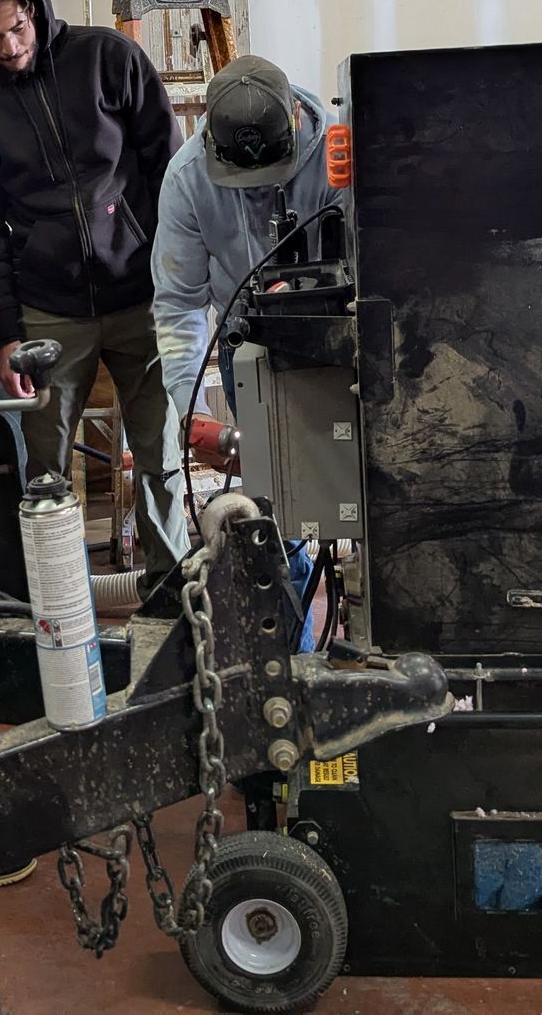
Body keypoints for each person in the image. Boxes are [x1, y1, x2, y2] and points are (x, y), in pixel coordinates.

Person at [0, 0, 189, 583]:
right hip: (48, 311)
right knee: (45, 466)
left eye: (17, 29)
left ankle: (168, 593)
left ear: (36, 8)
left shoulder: (109, 57)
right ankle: (58, 599)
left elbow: (172, 172)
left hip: (141, 293)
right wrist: (7, 334)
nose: (10, 47)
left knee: (163, 456)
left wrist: (179, 280)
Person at [151, 54, 346, 647]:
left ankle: (373, 641)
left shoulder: (344, 158)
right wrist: (190, 410)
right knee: (272, 506)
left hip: (347, 342)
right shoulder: (187, 180)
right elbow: (179, 304)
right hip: (254, 354)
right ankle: (295, 657)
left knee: (359, 496)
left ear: (295, 120)